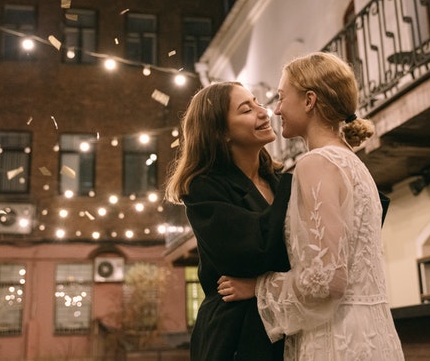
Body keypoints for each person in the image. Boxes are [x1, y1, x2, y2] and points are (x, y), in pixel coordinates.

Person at [218, 52, 404, 360]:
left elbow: (327, 278)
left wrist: (259, 288)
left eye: (281, 97)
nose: (276, 110)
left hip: (336, 339)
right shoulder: (353, 163)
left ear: (309, 101)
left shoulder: (315, 164)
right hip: (371, 332)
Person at [165, 81, 293, 360]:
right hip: (236, 336)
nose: (263, 112)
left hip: (289, 326)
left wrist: (258, 285)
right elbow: (255, 249)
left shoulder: (280, 181)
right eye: (247, 109)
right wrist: (298, 184)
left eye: (258, 103)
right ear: (221, 132)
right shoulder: (202, 189)